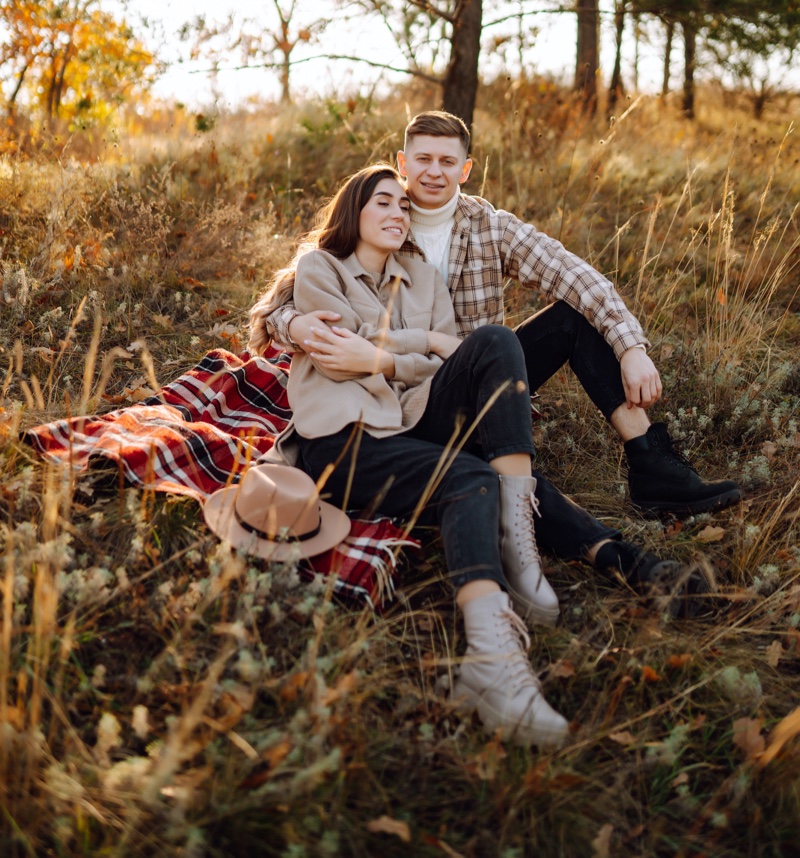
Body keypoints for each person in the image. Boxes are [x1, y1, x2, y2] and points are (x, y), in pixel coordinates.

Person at [257, 110, 741, 519]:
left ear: (465, 169)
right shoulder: (383, 217)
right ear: (403, 162)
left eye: (447, 161)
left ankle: (651, 466)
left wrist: (630, 345)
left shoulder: (490, 228)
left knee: (571, 317)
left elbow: (573, 274)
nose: (433, 172)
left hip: (486, 374)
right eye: (422, 159)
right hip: (402, 391)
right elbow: (292, 291)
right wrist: (292, 324)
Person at [259, 164, 571, 749]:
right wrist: (419, 344)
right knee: (470, 478)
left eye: (405, 207)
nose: (399, 213)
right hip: (342, 441)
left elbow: (445, 360)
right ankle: (496, 657)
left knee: (498, 342)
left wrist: (396, 353)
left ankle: (513, 557)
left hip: (406, 423)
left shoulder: (423, 279)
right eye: (385, 202)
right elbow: (335, 355)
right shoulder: (319, 269)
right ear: (354, 211)